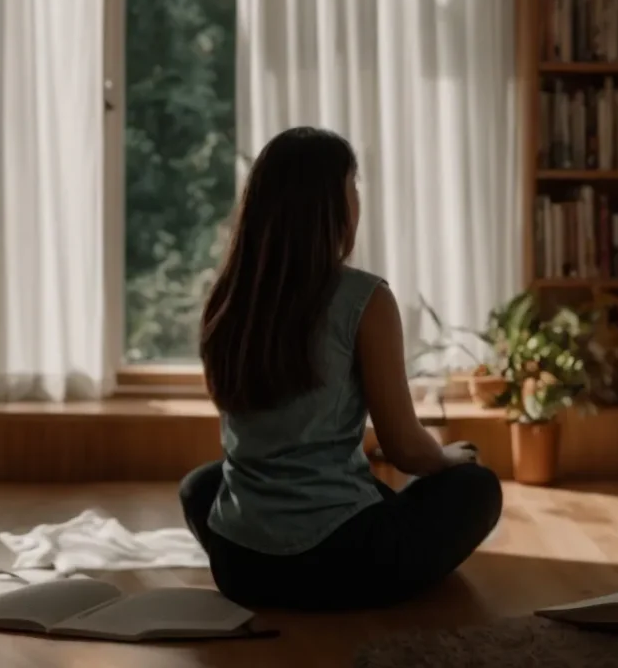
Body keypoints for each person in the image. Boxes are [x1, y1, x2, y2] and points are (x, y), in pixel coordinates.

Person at [178, 126, 502, 611]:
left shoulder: (228, 297)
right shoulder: (364, 299)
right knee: (477, 488)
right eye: (354, 187)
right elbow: (407, 451)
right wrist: (449, 458)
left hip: (238, 564)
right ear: (332, 205)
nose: (358, 201)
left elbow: (269, 427)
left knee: (201, 484)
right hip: (334, 560)